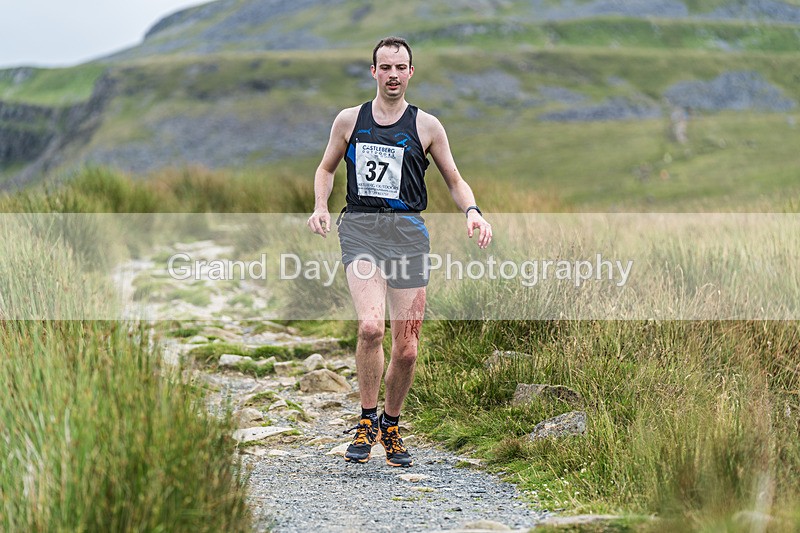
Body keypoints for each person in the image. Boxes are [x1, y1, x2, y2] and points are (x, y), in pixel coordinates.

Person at [307, 36, 492, 467]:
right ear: (374, 71)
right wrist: (320, 206)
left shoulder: (427, 126)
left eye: (400, 67)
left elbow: (454, 179)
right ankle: (366, 420)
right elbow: (326, 167)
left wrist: (473, 212)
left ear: (411, 72)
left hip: (408, 235)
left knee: (406, 349)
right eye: (385, 67)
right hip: (361, 230)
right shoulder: (349, 120)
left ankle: (390, 425)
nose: (393, 75)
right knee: (371, 327)